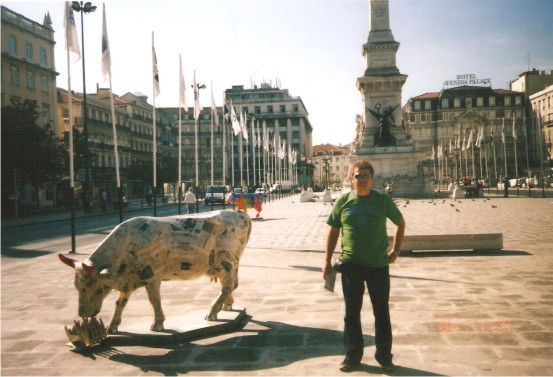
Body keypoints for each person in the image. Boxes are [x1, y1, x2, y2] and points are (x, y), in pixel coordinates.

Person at [323, 160, 406, 373]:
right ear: (351, 178)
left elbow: (400, 223)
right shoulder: (343, 201)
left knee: (381, 311)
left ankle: (384, 356)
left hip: (378, 265)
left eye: (366, 176)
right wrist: (326, 262)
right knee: (351, 313)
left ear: (372, 179)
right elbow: (333, 232)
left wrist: (395, 250)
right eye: (358, 176)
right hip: (351, 266)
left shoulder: (382, 200)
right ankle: (352, 356)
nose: (363, 180)